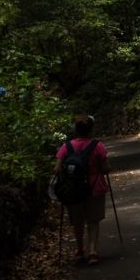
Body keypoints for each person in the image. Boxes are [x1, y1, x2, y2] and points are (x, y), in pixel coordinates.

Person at [54, 114, 111, 265]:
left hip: (73, 190)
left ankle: (79, 250)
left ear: (76, 130)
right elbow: (105, 168)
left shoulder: (66, 146)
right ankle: (92, 251)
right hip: (94, 188)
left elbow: (56, 169)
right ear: (91, 130)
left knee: (77, 221)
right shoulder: (98, 146)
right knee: (93, 221)